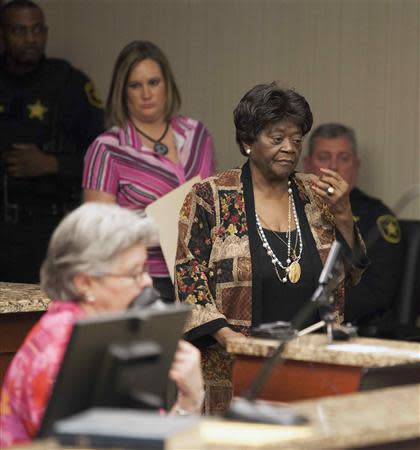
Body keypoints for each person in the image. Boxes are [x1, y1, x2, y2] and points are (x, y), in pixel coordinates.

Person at [175, 83, 368, 414]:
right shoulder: (212, 197)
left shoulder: (315, 193)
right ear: (248, 141)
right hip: (236, 369)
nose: (289, 149)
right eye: (277, 139)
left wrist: (344, 214)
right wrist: (230, 340)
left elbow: (352, 272)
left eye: (296, 139)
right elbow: (188, 280)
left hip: (312, 365)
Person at [0, 203, 204, 448]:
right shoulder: (57, 351)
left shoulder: (110, 332)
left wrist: (189, 400)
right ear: (84, 283)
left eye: (146, 270)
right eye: (134, 273)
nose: (147, 282)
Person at [83, 40, 215, 303]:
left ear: (167, 84)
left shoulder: (196, 134)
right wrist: (157, 228)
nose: (146, 93)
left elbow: (213, 203)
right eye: (135, 85)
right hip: (141, 281)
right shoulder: (107, 148)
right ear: (123, 91)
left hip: (201, 276)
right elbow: (96, 232)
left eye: (153, 82)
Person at [0, 0, 104, 283]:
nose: (30, 39)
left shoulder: (68, 83)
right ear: (3, 34)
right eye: (19, 31)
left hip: (49, 228)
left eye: (37, 30)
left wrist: (51, 164)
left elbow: (102, 159)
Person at [304, 123, 405, 325]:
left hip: (352, 331)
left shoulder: (378, 219)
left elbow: (377, 293)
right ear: (307, 165)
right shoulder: (290, 210)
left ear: (356, 166)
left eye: (343, 158)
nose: (333, 166)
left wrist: (313, 315)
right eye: (324, 157)